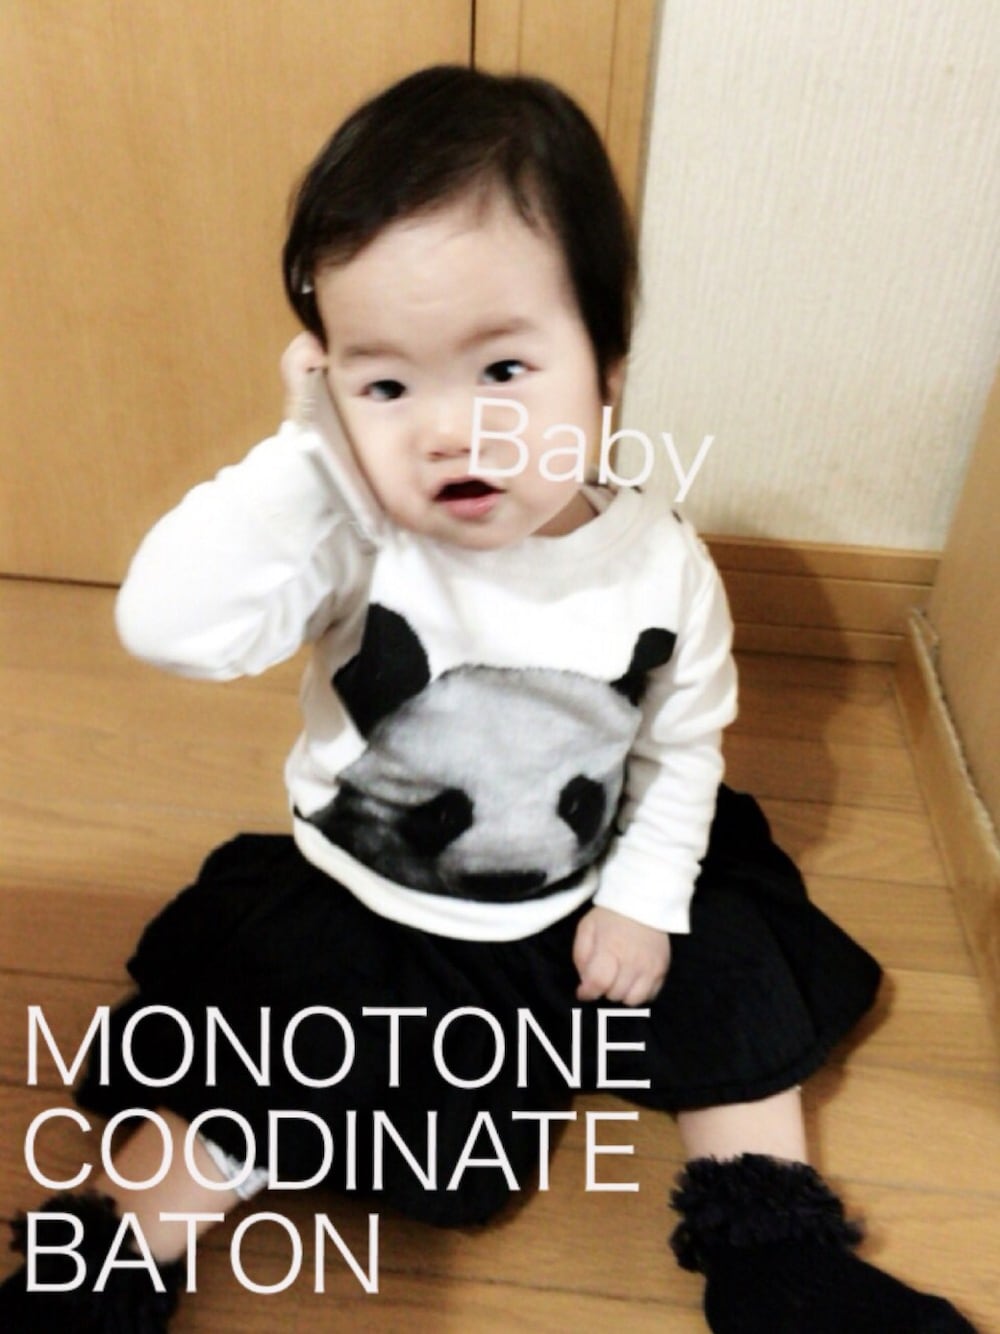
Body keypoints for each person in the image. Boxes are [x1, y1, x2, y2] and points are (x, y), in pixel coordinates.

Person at [0, 65, 978, 1333]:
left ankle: (774, 1248)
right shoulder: (354, 536)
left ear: (605, 366)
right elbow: (168, 625)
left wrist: (642, 895)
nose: (451, 430)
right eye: (386, 384)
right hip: (381, 896)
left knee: (729, 957)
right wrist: (309, 456)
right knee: (265, 1051)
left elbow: (681, 747)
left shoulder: (662, 566)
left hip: (590, 884)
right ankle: (116, 1252)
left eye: (505, 367)